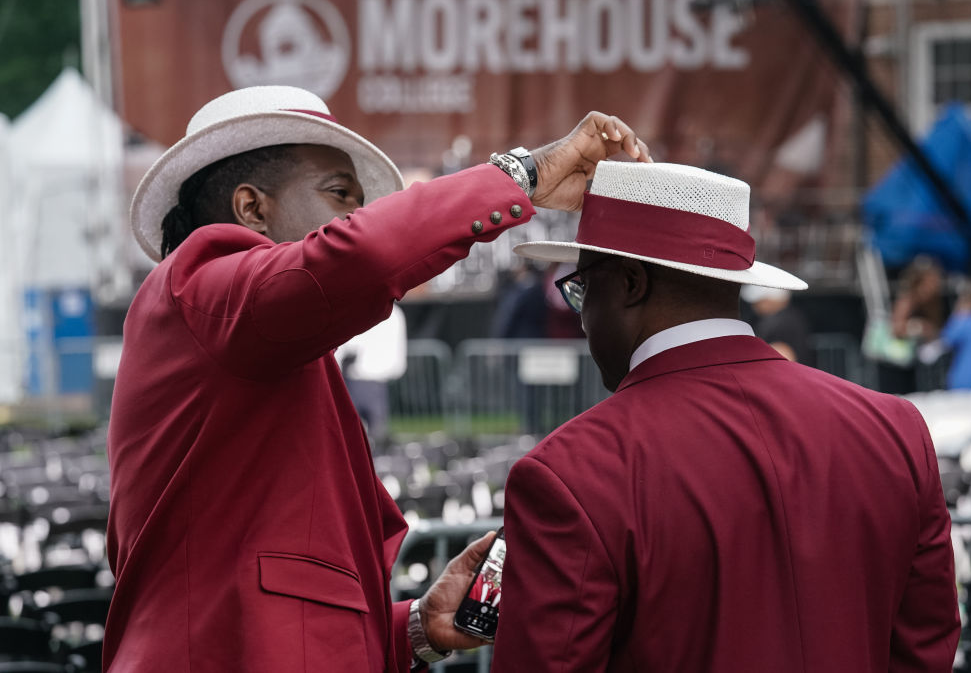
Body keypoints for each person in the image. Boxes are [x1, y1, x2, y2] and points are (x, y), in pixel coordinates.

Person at [104, 85, 651, 672]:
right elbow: (359, 255)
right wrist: (524, 174)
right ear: (251, 209)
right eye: (339, 195)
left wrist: (417, 627)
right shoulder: (199, 285)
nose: (356, 216)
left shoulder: (253, 338)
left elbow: (285, 601)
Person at [492, 161, 960, 672]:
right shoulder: (895, 429)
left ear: (629, 282)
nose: (582, 316)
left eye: (583, 288)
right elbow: (926, 647)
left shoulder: (573, 471)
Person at [336, 305, 407, 444]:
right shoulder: (393, 313)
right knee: (365, 432)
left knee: (367, 433)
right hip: (364, 381)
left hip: (363, 380)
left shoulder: (389, 313)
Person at [740, 283, 812, 363]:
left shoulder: (779, 323)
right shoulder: (793, 317)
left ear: (771, 300)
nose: (754, 307)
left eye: (760, 302)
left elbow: (783, 355)